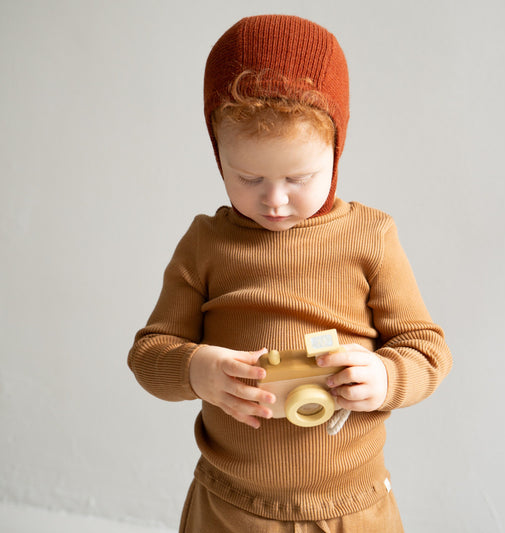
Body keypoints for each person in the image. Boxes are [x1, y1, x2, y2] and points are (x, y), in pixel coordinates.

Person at [128, 14, 452, 533]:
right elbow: (149, 354)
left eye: (299, 178)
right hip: (230, 507)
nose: (274, 201)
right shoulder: (206, 244)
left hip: (352, 507)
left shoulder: (370, 236)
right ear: (218, 155)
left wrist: (387, 377)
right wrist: (196, 369)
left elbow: (427, 350)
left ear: (335, 151)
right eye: (248, 177)